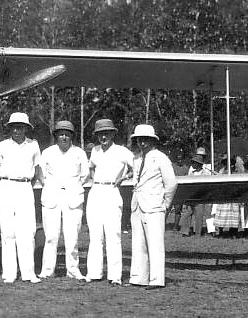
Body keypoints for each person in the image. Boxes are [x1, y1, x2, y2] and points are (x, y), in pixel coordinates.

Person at [0, 111, 43, 284]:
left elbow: (37, 172)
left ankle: (29, 273)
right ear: (10, 129)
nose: (17, 131)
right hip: (6, 186)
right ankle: (9, 273)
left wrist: (25, 183)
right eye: (14, 128)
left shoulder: (33, 146)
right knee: (8, 231)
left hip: (25, 187)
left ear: (26, 129)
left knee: (28, 231)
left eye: (20, 128)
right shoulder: (2, 146)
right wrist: (3, 188)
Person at [37, 120, 90, 281]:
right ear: (56, 136)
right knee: (51, 236)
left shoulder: (79, 153)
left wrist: (72, 187)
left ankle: (73, 270)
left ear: (72, 136)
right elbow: (41, 173)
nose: (64, 137)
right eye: (61, 134)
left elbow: (84, 175)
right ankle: (47, 270)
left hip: (73, 198)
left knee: (72, 237)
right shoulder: (47, 152)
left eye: (67, 134)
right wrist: (50, 186)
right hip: (51, 197)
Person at [84, 118, 134, 284]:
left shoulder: (122, 151)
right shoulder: (95, 150)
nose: (103, 137)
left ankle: (115, 276)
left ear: (113, 134)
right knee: (95, 235)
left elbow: (137, 167)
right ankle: (94, 273)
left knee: (113, 235)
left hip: (112, 192)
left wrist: (125, 176)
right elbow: (91, 168)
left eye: (106, 133)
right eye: (100, 134)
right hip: (95, 192)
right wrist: (94, 179)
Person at [129, 124, 177, 290]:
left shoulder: (161, 158)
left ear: (152, 141)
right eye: (139, 140)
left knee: (155, 244)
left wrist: (165, 204)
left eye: (145, 140)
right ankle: (139, 277)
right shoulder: (138, 159)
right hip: (138, 206)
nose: (142, 143)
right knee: (138, 243)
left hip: (155, 206)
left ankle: (157, 279)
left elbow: (171, 184)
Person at [179, 150, 214, 237]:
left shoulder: (205, 173)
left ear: (198, 164)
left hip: (200, 196)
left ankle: (198, 232)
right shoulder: (191, 173)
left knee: (199, 215)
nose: (192, 164)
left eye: (194, 163)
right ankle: (185, 231)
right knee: (186, 214)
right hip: (191, 196)